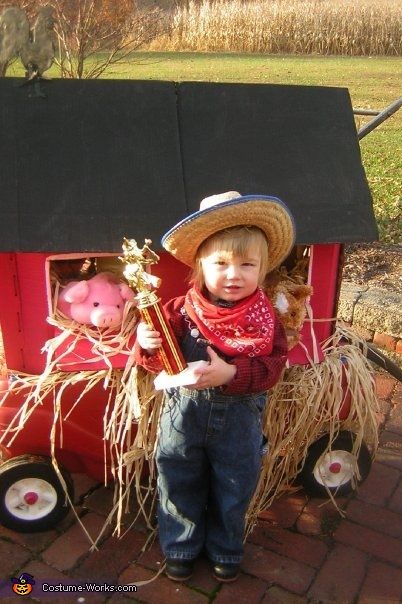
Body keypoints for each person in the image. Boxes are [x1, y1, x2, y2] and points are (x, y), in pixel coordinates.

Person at [136, 191, 295, 583]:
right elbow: (155, 361)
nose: (233, 274)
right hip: (183, 414)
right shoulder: (177, 310)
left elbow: (273, 366)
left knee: (235, 482)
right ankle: (181, 545)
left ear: (262, 268)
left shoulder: (266, 319)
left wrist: (232, 375)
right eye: (221, 263)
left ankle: (225, 547)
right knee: (178, 476)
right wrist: (145, 342)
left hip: (239, 419)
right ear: (200, 266)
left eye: (247, 264)